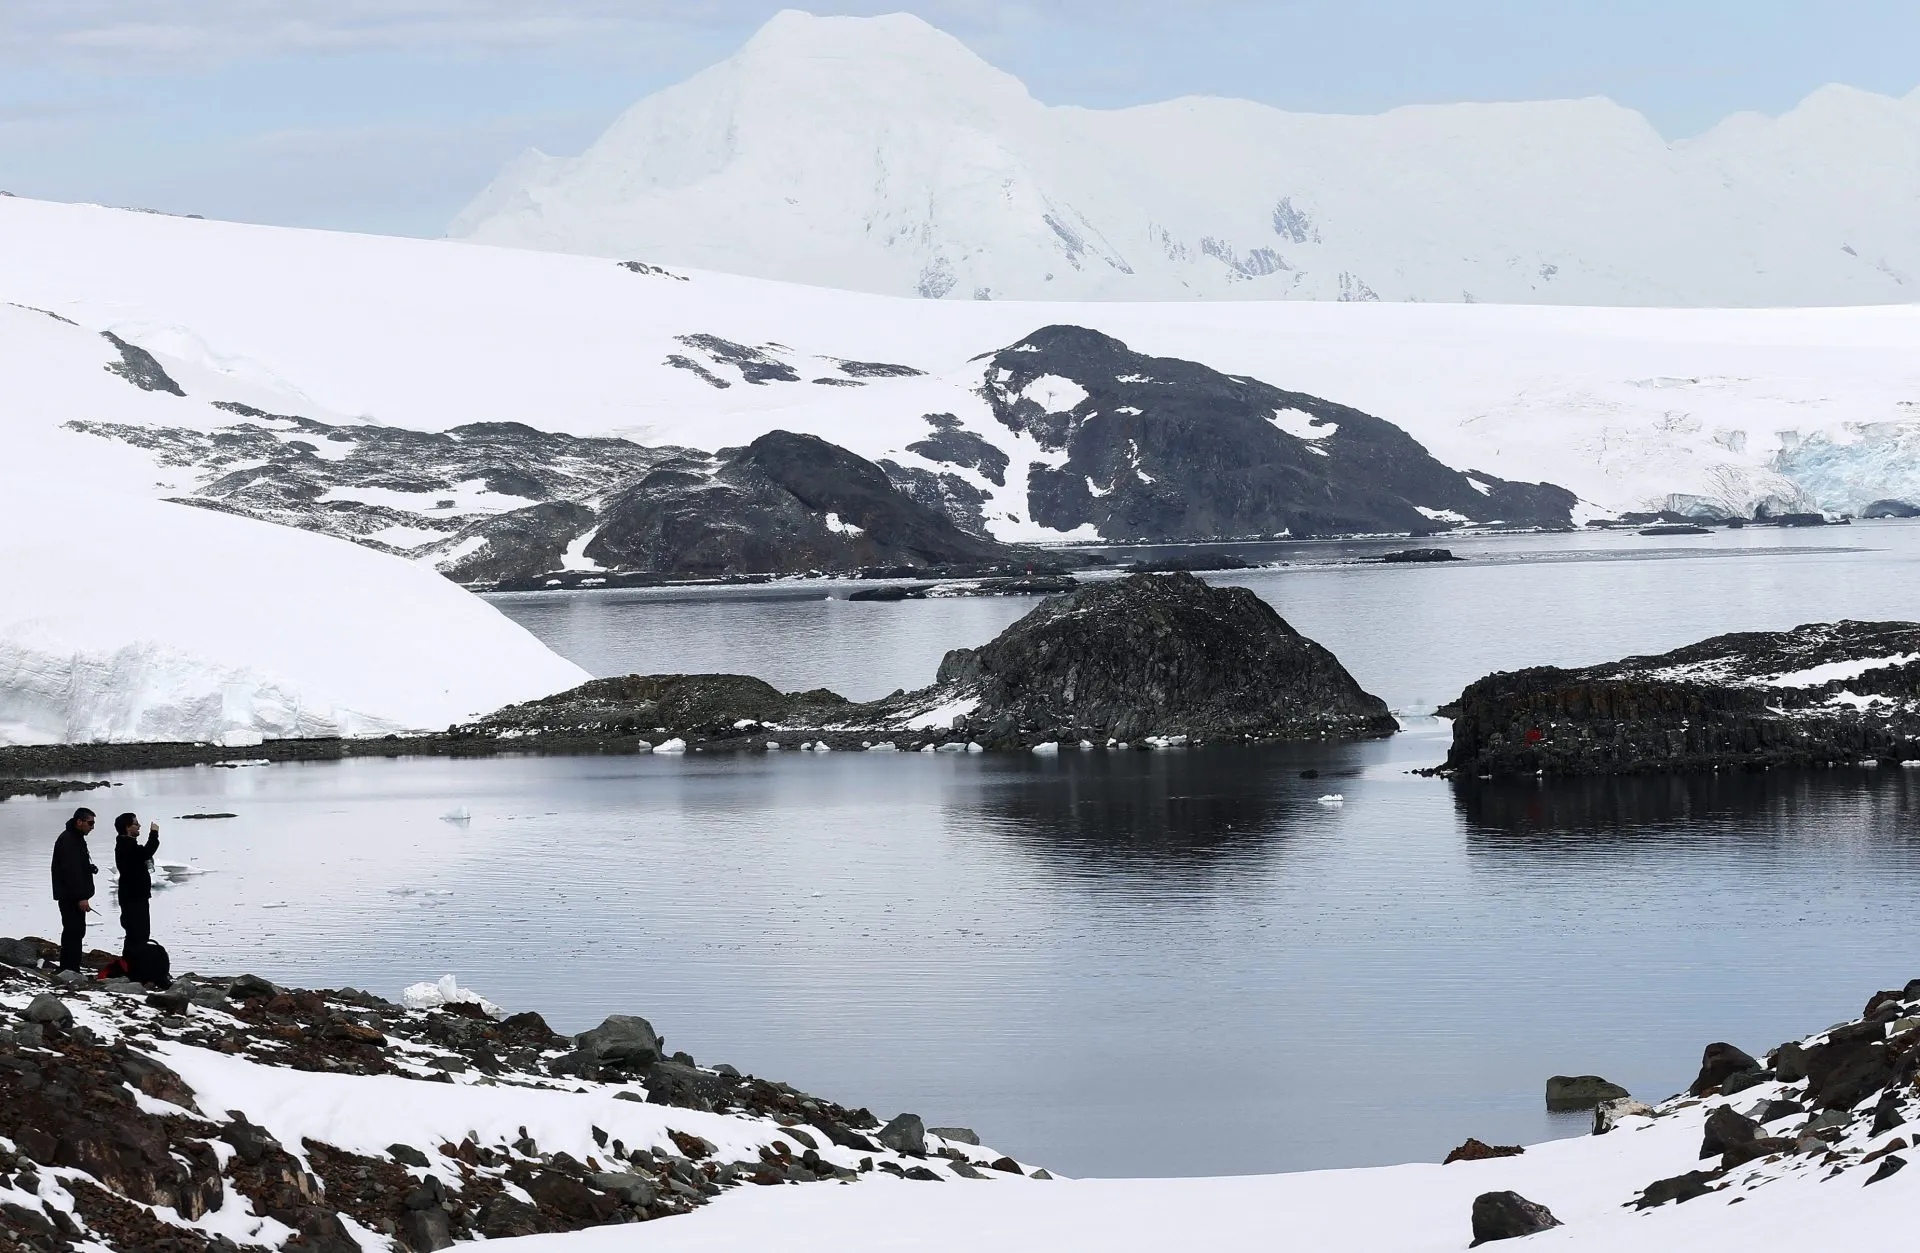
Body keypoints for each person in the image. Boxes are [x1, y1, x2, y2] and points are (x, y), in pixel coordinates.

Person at [50, 807, 98, 972]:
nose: (92, 827)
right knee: (73, 932)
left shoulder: (75, 837)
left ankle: (71, 967)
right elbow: (71, 872)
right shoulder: (69, 840)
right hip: (71, 897)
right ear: (79, 822)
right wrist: (82, 897)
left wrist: (88, 867)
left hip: (71, 895)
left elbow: (75, 866)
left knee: (76, 931)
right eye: (90, 823)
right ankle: (69, 969)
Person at [114, 813, 161, 967]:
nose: (139, 826)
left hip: (135, 896)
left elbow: (143, 854)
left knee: (138, 933)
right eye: (136, 823)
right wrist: (154, 834)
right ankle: (134, 967)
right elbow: (146, 852)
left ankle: (132, 965)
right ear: (128, 827)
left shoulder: (128, 844)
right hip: (133, 897)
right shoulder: (125, 845)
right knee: (137, 933)